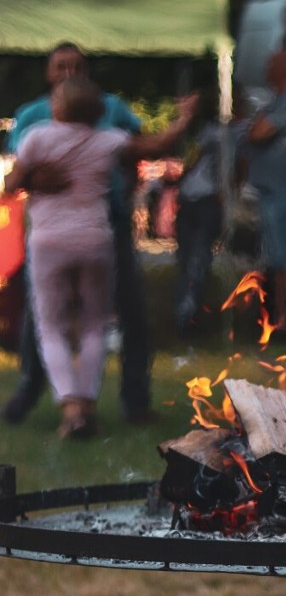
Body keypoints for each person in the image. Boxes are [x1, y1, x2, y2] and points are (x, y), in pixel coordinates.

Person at [3, 77, 197, 438]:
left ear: (58, 107)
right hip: (96, 241)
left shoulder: (37, 136)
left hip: (49, 242)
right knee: (95, 325)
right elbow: (158, 145)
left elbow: (12, 185)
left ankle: (71, 407)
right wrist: (183, 118)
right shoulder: (107, 139)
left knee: (50, 326)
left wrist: (31, 178)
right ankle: (88, 404)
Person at [2, 43, 153, 424]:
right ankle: (31, 392)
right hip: (56, 227)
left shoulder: (113, 108)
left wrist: (129, 187)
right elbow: (21, 171)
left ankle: (133, 401)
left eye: (77, 66)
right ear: (49, 74)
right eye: (61, 66)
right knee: (45, 317)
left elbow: (135, 151)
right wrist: (37, 179)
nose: (69, 72)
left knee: (128, 309)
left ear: (87, 71)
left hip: (108, 220)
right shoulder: (31, 115)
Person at [243, 48, 286, 338]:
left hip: (285, 190)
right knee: (279, 258)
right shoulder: (278, 101)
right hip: (272, 190)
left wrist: (256, 125)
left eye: (272, 63)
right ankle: (282, 320)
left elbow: (258, 132)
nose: (267, 68)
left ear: (285, 68)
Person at [174, 86, 224, 333]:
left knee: (196, 259)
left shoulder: (213, 133)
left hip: (205, 201)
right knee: (188, 259)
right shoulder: (188, 133)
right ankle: (187, 311)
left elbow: (188, 164)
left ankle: (189, 314)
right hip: (189, 200)